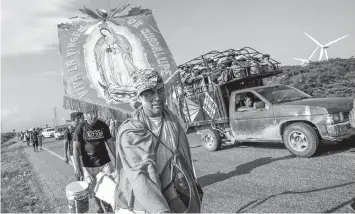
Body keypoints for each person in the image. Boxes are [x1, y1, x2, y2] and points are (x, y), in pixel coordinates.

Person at [115, 68, 202, 213]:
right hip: (144, 201)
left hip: (173, 190)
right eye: (149, 93)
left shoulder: (173, 120)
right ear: (139, 97)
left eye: (160, 91)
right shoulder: (131, 132)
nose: (157, 98)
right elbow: (140, 177)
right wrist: (161, 210)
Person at [72, 105, 116, 213]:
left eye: (95, 112)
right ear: (85, 114)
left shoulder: (103, 126)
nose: (93, 115)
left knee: (109, 186)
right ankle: (99, 208)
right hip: (88, 165)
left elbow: (110, 143)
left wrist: (118, 159)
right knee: (93, 189)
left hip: (104, 163)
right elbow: (75, 149)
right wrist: (78, 167)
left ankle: (108, 206)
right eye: (90, 113)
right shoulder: (80, 128)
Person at [64, 111, 84, 180]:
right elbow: (66, 142)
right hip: (73, 153)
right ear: (73, 119)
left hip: (82, 152)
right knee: (77, 170)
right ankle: (78, 185)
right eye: (78, 119)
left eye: (80, 118)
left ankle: (83, 184)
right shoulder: (69, 129)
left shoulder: (81, 128)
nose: (79, 120)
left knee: (84, 169)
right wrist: (65, 156)